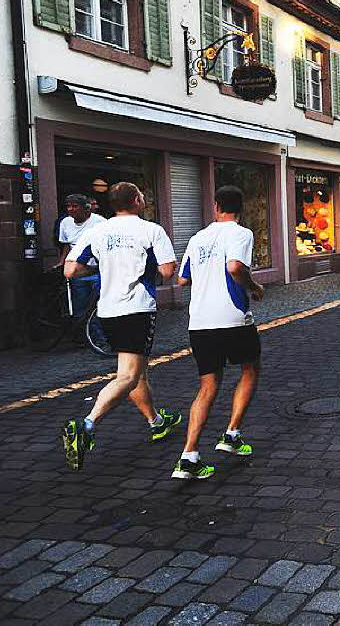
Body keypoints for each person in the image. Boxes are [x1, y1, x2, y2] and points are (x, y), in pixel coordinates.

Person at [61, 182, 182, 470]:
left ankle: (156, 421)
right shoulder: (151, 230)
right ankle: (87, 425)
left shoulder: (96, 231)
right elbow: (167, 270)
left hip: (107, 310)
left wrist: (103, 267)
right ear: (138, 200)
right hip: (136, 308)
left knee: (135, 370)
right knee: (128, 376)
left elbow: (70, 269)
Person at [173, 186, 265, 480]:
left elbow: (182, 279)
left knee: (208, 386)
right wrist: (253, 287)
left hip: (200, 321)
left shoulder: (198, 237)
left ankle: (189, 456)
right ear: (241, 208)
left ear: (215, 207)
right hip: (233, 318)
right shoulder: (241, 233)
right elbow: (235, 266)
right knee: (250, 370)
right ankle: (232, 434)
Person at [57, 193, 106, 320]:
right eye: (68, 206)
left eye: (75, 206)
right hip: (77, 270)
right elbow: (67, 246)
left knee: (98, 306)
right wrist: (62, 263)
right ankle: (81, 335)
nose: (70, 209)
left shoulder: (100, 222)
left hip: (97, 270)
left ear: (86, 208)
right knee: (79, 306)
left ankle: (99, 337)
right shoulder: (65, 223)